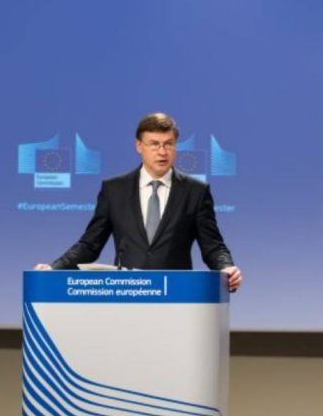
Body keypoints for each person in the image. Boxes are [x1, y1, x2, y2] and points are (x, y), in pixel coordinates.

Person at [35, 112, 242, 292]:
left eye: (168, 144)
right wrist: (55, 269)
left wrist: (226, 267)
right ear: (139, 146)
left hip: (177, 296)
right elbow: (90, 244)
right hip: (127, 294)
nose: (162, 152)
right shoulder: (114, 190)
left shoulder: (195, 191)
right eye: (154, 144)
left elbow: (213, 246)